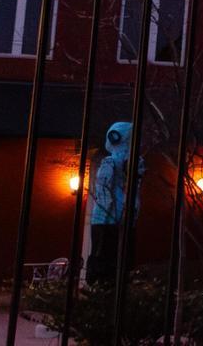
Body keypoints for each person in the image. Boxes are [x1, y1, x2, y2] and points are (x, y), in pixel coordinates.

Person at [86, 121, 142, 286]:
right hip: (107, 218)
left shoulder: (134, 162)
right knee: (104, 255)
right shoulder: (110, 163)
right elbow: (103, 189)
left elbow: (135, 188)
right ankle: (101, 285)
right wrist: (113, 211)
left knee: (122, 258)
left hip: (121, 216)